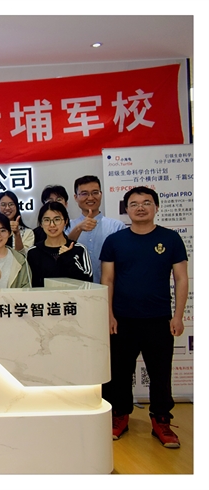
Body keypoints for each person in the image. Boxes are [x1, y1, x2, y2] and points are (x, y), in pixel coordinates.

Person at [100, 186, 188, 448]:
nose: (140, 208)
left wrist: (178, 316)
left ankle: (161, 420)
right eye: (134, 204)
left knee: (160, 372)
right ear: (126, 210)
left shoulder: (170, 239)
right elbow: (107, 279)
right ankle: (120, 416)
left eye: (146, 203)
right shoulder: (115, 241)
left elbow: (181, 278)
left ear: (156, 207)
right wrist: (109, 315)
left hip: (159, 319)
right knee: (120, 372)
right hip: (122, 319)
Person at [67, 175, 126, 284]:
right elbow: (62, 252)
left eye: (95, 192)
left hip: (110, 288)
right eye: (84, 193)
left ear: (101, 194)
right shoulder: (67, 226)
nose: (90, 198)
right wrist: (78, 228)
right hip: (76, 289)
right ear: (76, 197)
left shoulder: (117, 227)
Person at [26, 201, 92, 287]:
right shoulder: (33, 252)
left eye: (57, 219)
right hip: (43, 296)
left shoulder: (79, 249)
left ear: (66, 221)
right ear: (41, 224)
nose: (52, 225)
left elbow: (88, 283)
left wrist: (69, 259)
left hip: (73, 296)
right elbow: (30, 285)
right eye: (47, 220)